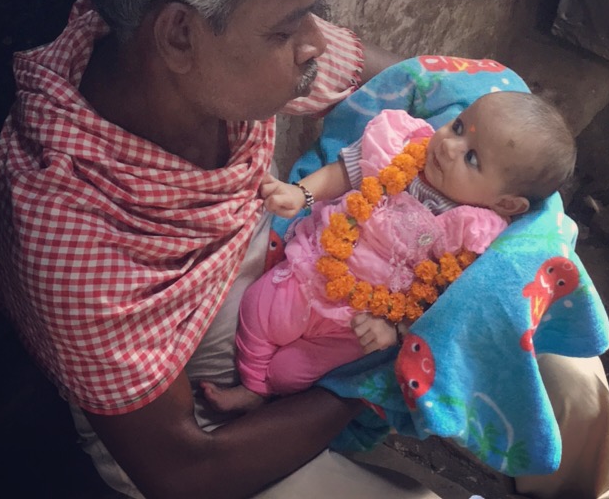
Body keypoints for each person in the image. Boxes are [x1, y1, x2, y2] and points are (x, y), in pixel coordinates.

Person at [0, 0, 609, 499]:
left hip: (301, 272)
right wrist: (378, 373)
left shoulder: (209, 54)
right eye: (286, 29)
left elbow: (412, 85)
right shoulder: (71, 233)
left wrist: (510, 168)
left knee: (561, 365)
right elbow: (185, 471)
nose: (317, 43)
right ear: (179, 36)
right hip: (196, 407)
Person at [202, 91, 578, 413]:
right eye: (459, 126)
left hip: (361, 322)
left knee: (287, 373)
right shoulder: (399, 148)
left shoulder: (475, 233)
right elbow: (344, 173)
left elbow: (443, 301)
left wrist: (393, 329)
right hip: (314, 270)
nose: (448, 146)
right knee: (256, 305)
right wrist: (301, 194)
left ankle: (271, 388)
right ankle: (253, 386)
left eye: (472, 159)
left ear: (506, 203)